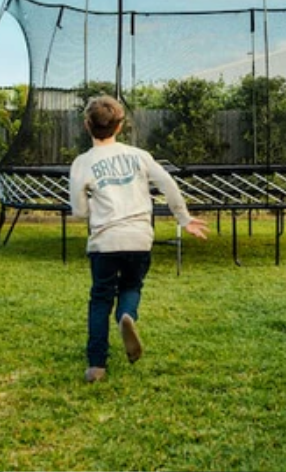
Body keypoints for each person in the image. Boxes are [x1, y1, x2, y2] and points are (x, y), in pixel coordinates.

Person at [69, 95, 208, 384]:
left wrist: (94, 206)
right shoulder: (139, 155)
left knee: (100, 298)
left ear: (87, 125)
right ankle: (126, 315)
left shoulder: (82, 163)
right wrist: (184, 218)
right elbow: (168, 184)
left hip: (104, 242)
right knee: (131, 285)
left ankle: (96, 365)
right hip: (139, 239)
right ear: (120, 125)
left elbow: (80, 211)